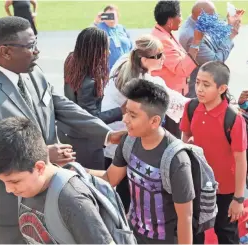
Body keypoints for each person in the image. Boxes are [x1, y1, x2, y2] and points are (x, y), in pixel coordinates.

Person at [0, 16, 124, 244]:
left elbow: (58, 104)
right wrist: (43, 154)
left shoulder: (30, 70)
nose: (37, 51)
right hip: (9, 211)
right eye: (31, 46)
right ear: (5, 51)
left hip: (46, 195)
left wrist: (106, 133)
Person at [89, 78, 195, 244]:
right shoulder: (129, 141)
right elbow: (110, 178)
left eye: (132, 115)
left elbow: (185, 218)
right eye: (126, 113)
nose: (125, 120)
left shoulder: (176, 160)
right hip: (133, 238)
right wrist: (74, 171)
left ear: (154, 121)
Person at [0, 117, 115, 244]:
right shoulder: (28, 188)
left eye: (14, 182)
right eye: (4, 182)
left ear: (39, 167)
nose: (8, 189)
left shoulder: (72, 200)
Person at [101, 34, 190, 211]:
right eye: (158, 56)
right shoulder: (147, 84)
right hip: (126, 138)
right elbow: (174, 103)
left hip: (110, 137)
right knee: (127, 189)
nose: (163, 58)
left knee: (111, 186)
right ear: (143, 59)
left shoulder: (123, 63)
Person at [180, 61, 247, 244]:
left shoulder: (233, 118)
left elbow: (241, 160)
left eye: (206, 85)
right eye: (198, 82)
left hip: (225, 189)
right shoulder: (191, 108)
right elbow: (185, 138)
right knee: (194, 231)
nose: (200, 89)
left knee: (225, 232)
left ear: (222, 88)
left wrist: (238, 199)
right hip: (196, 184)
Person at [59, 27, 123, 169]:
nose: (109, 52)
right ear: (94, 51)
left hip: (67, 132)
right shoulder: (88, 83)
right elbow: (91, 119)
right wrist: (121, 111)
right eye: (105, 48)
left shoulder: (71, 60)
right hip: (85, 142)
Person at [150, 0, 203, 138]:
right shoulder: (162, 40)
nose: (182, 18)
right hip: (168, 101)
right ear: (169, 20)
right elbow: (182, 69)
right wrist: (196, 42)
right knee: (172, 138)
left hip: (173, 96)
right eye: (179, 15)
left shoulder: (165, 34)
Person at [179, 0, 244, 98]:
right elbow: (216, 62)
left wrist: (230, 25)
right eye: (212, 16)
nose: (215, 18)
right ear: (201, 17)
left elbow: (216, 37)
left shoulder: (199, 22)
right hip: (201, 94)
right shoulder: (191, 36)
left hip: (210, 87)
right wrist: (231, 34)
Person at [94, 5, 133, 70]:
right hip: (108, 69)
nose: (111, 18)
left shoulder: (122, 28)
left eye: (113, 16)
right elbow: (87, 37)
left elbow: (131, 47)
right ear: (104, 17)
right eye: (108, 16)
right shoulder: (99, 28)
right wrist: (95, 22)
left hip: (125, 67)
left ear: (118, 16)